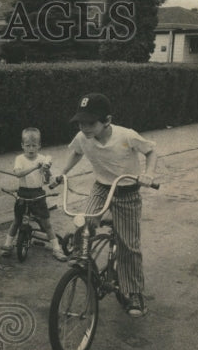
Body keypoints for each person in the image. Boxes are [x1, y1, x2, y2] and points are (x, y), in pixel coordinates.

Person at [53, 93, 157, 317]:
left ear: (107, 121)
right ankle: (82, 259)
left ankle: (134, 293)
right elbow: (76, 153)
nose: (84, 127)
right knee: (83, 220)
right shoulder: (83, 137)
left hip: (127, 191)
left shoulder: (126, 136)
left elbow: (150, 151)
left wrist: (148, 174)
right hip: (101, 187)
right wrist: (62, 173)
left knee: (129, 245)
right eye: (81, 123)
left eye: (90, 123)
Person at [1, 127, 66, 260]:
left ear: (39, 146)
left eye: (34, 146)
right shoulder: (20, 159)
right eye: (28, 146)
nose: (31, 149)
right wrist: (35, 167)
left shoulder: (43, 159)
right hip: (23, 193)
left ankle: (56, 249)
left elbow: (47, 181)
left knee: (46, 223)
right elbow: (18, 174)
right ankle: (7, 245)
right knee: (17, 221)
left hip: (38, 193)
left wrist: (47, 170)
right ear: (22, 146)